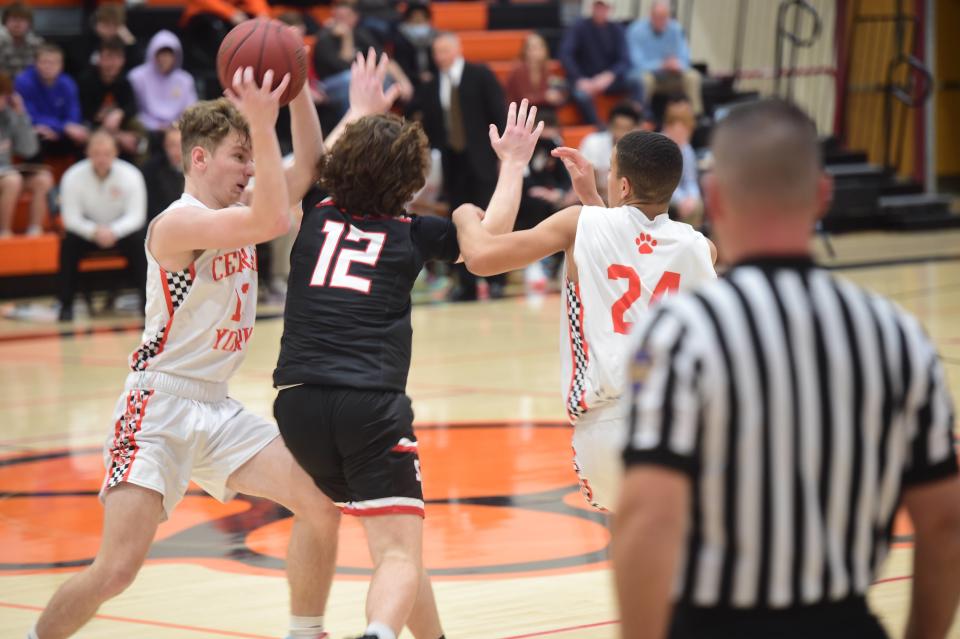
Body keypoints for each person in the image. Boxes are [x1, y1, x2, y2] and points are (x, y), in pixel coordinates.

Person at [614, 99, 960, 639]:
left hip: (714, 621)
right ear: (824, 195)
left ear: (717, 199)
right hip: (844, 620)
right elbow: (944, 524)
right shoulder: (896, 335)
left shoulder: (681, 333)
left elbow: (646, 522)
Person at [27, 69, 340, 639]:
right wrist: (266, 128)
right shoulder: (177, 224)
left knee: (320, 500)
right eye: (239, 156)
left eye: (252, 158)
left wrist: (293, 94)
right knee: (116, 571)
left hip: (216, 408)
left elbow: (310, 168)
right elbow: (272, 215)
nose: (251, 169)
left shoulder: (239, 211)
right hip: (157, 410)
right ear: (199, 158)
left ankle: (305, 631)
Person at [272, 50, 544, 639]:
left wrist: (359, 111)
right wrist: (515, 164)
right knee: (397, 553)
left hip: (294, 404)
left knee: (396, 540)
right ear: (415, 181)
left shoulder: (314, 212)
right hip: (367, 403)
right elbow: (488, 244)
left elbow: (317, 160)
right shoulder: (414, 232)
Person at [452, 130, 716, 512]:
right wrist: (594, 199)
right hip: (680, 424)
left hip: (609, 425)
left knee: (634, 547)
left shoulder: (580, 224)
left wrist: (463, 214)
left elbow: (481, 257)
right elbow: (641, 257)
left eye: (609, 169)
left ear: (622, 185)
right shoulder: (701, 249)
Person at [408, 31, 507, 301]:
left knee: (491, 218)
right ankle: (467, 283)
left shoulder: (480, 74)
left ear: (457, 49)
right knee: (459, 224)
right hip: (453, 162)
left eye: (444, 51)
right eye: (436, 52)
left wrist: (503, 157)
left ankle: (497, 280)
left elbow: (499, 113)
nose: (439, 57)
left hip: (483, 159)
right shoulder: (431, 84)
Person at [56, 130, 147, 321]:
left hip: (121, 233)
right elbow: (70, 218)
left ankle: (147, 303)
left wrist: (114, 231)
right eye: (96, 153)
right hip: (88, 233)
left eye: (106, 153)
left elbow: (136, 216)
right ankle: (66, 305)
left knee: (142, 241)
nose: (101, 158)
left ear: (115, 153)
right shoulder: (72, 176)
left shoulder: (131, 175)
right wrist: (94, 231)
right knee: (68, 243)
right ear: (87, 153)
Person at [559, 0, 643, 125]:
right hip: (584, 80)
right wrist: (579, 79)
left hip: (608, 80)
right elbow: (565, 54)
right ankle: (597, 127)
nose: (600, 10)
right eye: (598, 7)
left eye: (604, 7)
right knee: (581, 95)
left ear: (610, 9)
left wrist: (610, 75)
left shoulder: (617, 29)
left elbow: (625, 60)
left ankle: (638, 120)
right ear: (592, 8)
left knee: (636, 81)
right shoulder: (579, 27)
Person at [626, 0, 703, 115]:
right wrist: (661, 65)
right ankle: (642, 117)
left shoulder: (676, 29)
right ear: (650, 15)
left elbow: (685, 58)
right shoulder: (636, 30)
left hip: (671, 76)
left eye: (664, 17)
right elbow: (635, 63)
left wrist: (677, 64)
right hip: (650, 76)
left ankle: (695, 117)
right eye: (658, 17)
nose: (661, 21)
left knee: (693, 76)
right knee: (644, 80)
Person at [0, 69, 51, 237]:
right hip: (7, 177)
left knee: (43, 179)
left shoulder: (8, 115)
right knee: (12, 180)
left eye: (3, 95)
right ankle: (4, 234)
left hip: (5, 173)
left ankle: (34, 233)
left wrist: (21, 114)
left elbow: (29, 149)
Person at [15, 42, 89, 158]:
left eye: (54, 63)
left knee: (83, 136)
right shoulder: (23, 81)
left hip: (62, 131)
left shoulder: (68, 83)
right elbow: (29, 115)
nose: (48, 66)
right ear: (35, 63)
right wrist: (62, 127)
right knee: (36, 136)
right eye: (44, 62)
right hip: (38, 129)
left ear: (61, 65)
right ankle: (35, 174)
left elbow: (74, 114)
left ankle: (77, 173)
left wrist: (63, 129)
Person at [78, 37, 145, 161]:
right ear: (99, 59)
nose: (112, 63)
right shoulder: (86, 80)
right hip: (92, 130)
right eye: (108, 57)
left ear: (122, 60)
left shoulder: (124, 81)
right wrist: (117, 136)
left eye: (117, 58)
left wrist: (119, 113)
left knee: (140, 135)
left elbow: (132, 107)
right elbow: (84, 114)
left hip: (119, 128)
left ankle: (140, 175)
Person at [128, 30, 197, 134]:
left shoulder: (185, 80)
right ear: (152, 54)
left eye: (169, 55)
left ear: (176, 56)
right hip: (146, 131)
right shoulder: (137, 77)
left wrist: (176, 125)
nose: (164, 59)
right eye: (161, 54)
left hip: (178, 131)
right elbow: (134, 111)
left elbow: (191, 110)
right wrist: (155, 126)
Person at [578, 102, 643, 200]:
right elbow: (588, 183)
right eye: (617, 127)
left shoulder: (642, 149)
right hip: (595, 200)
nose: (621, 133)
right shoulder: (592, 142)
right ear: (609, 125)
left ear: (636, 129)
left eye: (627, 129)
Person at [661, 98, 702, 228]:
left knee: (697, 205)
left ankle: (692, 242)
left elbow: (690, 180)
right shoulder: (658, 147)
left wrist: (692, 198)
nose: (683, 134)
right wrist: (681, 200)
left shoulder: (686, 149)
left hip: (680, 196)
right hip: (660, 194)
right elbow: (660, 183)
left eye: (686, 130)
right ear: (668, 127)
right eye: (679, 129)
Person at [505, 32, 566, 112]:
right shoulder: (518, 70)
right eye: (534, 47)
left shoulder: (545, 70)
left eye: (541, 46)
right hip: (519, 112)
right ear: (525, 51)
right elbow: (523, 99)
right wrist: (546, 97)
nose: (538, 51)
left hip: (539, 110)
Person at [392, 2, 437, 91]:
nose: (419, 22)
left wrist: (432, 76)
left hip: (434, 82)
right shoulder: (399, 39)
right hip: (408, 83)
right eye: (415, 19)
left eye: (422, 19)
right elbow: (400, 66)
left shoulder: (436, 38)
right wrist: (417, 77)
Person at [143, 125, 183, 221]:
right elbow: (151, 207)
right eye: (171, 145)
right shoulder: (151, 170)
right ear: (165, 146)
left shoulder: (199, 168)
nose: (176, 151)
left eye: (180, 145)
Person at [0, 0, 41, 79]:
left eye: (22, 20)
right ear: (5, 21)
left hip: (27, 87)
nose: (17, 24)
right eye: (14, 19)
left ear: (29, 23)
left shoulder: (37, 44)